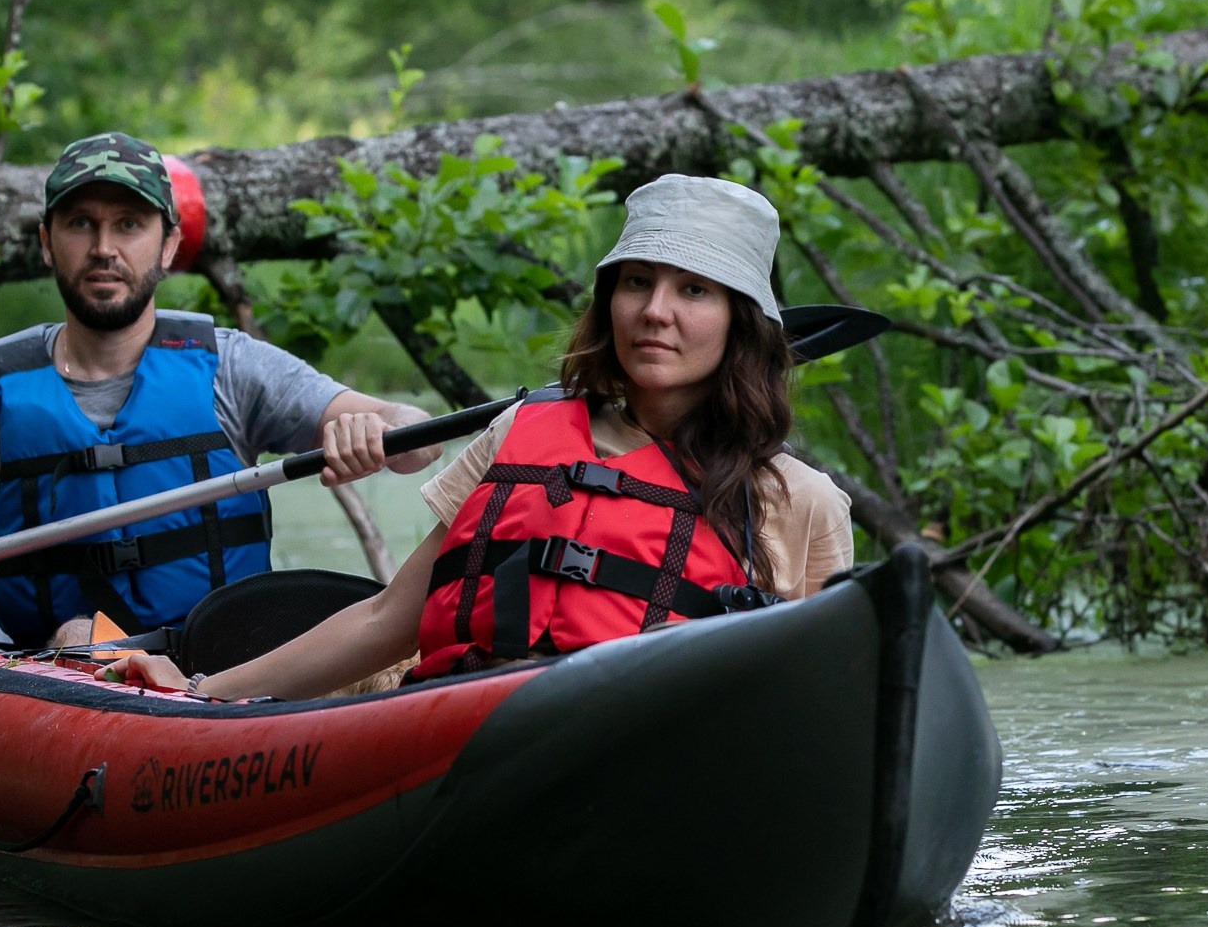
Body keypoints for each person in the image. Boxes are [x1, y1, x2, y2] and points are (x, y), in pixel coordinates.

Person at [109, 173, 854, 700]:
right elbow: (387, 621)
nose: (655, 311)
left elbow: (813, 708)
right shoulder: (519, 434)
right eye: (637, 282)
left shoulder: (796, 502)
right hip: (459, 735)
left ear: (740, 322)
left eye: (693, 290)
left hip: (642, 761)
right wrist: (206, 692)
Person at [0, 132, 433, 648]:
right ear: (46, 242)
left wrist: (380, 429)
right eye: (80, 223)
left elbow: (416, 436)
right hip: (60, 666)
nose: (104, 247)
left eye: (129, 225)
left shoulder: (231, 367)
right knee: (79, 632)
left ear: (167, 247)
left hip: (227, 657)